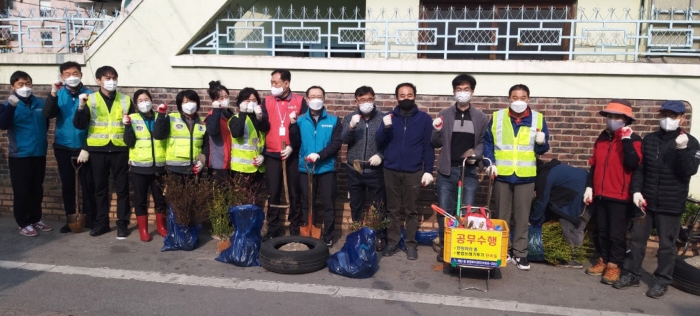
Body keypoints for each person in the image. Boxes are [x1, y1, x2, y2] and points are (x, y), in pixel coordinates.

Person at [614, 100, 700, 298]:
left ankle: (662, 280)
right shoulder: (650, 139)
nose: (667, 119)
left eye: (673, 115)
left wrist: (681, 151)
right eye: (664, 115)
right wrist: (636, 191)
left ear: (682, 118)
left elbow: (688, 170)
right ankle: (631, 274)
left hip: (671, 204)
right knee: (636, 241)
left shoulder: (691, 142)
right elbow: (641, 169)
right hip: (647, 201)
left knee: (666, 246)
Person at [484, 84, 550, 271]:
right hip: (502, 174)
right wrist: (490, 164)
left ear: (528, 99)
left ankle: (520, 253)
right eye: (514, 97)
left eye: (522, 97)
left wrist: (541, 142)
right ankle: (502, 249)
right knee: (502, 216)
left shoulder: (538, 119)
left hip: (526, 175)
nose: (518, 100)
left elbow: (543, 149)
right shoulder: (497, 117)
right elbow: (488, 142)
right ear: (508, 99)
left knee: (522, 217)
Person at [582, 100, 642, 284]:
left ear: (626, 120)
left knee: (616, 233)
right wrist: (590, 186)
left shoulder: (634, 139)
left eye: (617, 117)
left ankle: (614, 265)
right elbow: (594, 164)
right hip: (601, 192)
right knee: (601, 230)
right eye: (610, 116)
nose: (612, 120)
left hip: (620, 195)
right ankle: (604, 259)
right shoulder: (602, 137)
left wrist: (625, 140)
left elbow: (634, 163)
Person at [431, 74, 489, 263]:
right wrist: (437, 130)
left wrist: (476, 155)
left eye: (466, 89)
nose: (462, 93)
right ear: (453, 92)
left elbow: (482, 142)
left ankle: (463, 248)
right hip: (447, 170)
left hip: (469, 171)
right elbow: (435, 143)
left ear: (472, 92)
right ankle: (445, 245)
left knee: (467, 211)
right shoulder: (444, 115)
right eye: (459, 89)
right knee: (446, 211)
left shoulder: (480, 117)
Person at [376, 82, 434, 260]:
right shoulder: (389, 117)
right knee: (392, 209)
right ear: (397, 98)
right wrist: (385, 128)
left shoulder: (424, 119)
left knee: (411, 210)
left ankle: (410, 244)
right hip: (391, 169)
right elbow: (379, 142)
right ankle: (393, 242)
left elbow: (428, 147)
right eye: (402, 95)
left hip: (413, 171)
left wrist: (428, 170)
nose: (406, 98)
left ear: (414, 96)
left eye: (409, 95)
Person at [73, 66, 133, 238]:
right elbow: (80, 125)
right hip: (97, 151)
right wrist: (80, 106)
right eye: (107, 78)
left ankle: (122, 223)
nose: (111, 81)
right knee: (100, 189)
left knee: (122, 189)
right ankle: (102, 223)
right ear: (98, 80)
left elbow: (133, 128)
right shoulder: (89, 99)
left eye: (114, 77)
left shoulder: (125, 100)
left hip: (119, 149)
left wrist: (132, 151)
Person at [42, 61, 97, 233]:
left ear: (81, 74)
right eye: (67, 74)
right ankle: (71, 218)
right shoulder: (58, 94)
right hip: (63, 146)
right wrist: (53, 93)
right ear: (62, 77)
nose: (71, 77)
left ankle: (90, 219)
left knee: (88, 185)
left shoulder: (91, 95)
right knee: (68, 186)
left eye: (75, 73)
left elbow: (95, 124)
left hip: (84, 147)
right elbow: (48, 114)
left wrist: (87, 147)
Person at [0, 71, 51, 236]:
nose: (25, 87)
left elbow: (46, 123)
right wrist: (11, 107)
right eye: (20, 84)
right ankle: (23, 222)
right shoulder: (6, 105)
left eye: (28, 83)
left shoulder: (40, 103)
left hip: (39, 152)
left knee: (37, 189)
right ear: (12, 87)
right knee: (22, 190)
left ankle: (36, 219)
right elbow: (4, 125)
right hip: (20, 155)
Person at [290, 86, 342, 247]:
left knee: (328, 203)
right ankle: (309, 233)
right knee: (307, 203)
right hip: (305, 168)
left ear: (324, 99)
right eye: (312, 96)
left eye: (319, 96)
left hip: (326, 168)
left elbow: (336, 144)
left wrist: (320, 155)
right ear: (307, 100)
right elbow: (296, 143)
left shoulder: (333, 120)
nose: (316, 99)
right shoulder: (299, 120)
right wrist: (291, 125)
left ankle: (328, 237)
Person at [260, 69, 308, 240]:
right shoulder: (266, 101)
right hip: (272, 153)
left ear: (286, 83)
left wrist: (292, 147)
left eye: (276, 83)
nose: (273, 86)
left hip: (292, 154)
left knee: (294, 192)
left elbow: (303, 128)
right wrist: (259, 118)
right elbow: (264, 127)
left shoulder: (300, 101)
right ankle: (273, 228)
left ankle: (294, 227)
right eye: (272, 82)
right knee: (273, 192)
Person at [341, 85, 387, 251]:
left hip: (375, 170)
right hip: (354, 169)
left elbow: (389, 142)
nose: (366, 102)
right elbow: (344, 140)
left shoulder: (383, 118)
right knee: (356, 204)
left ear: (374, 99)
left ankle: (380, 236)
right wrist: (351, 127)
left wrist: (380, 156)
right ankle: (357, 233)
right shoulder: (349, 118)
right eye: (362, 100)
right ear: (356, 101)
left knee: (379, 205)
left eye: (369, 99)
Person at [124, 89, 168, 242]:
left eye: (146, 99)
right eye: (140, 100)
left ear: (151, 100)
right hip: (139, 168)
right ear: (136, 104)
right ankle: (143, 230)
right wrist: (128, 127)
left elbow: (163, 136)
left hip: (159, 167)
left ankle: (161, 227)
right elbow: (128, 142)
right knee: (140, 199)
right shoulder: (132, 118)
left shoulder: (160, 117)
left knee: (160, 199)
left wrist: (162, 116)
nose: (144, 103)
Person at [532, 158, 589, 269]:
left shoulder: (543, 177)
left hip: (582, 195)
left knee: (571, 225)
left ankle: (574, 259)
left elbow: (541, 201)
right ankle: (575, 256)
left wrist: (533, 221)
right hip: (584, 188)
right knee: (573, 225)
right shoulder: (552, 168)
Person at [153, 90, 208, 181]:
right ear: (180, 104)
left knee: (194, 195)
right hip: (175, 170)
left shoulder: (202, 123)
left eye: (192, 101)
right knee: (175, 195)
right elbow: (158, 135)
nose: (190, 104)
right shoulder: (171, 118)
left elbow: (206, 145)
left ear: (197, 103)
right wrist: (161, 116)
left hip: (194, 170)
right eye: (186, 102)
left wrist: (202, 161)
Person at [229, 87, 266, 201]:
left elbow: (265, 140)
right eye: (247, 100)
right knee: (241, 200)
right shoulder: (235, 119)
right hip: (242, 168)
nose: (251, 103)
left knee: (254, 199)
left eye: (254, 100)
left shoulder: (260, 119)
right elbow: (236, 133)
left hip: (258, 168)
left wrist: (263, 155)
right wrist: (242, 113)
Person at [204, 81, 235, 182]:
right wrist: (216, 110)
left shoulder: (229, 115)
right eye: (221, 98)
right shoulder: (212, 116)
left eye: (226, 96)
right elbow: (213, 131)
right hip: (218, 164)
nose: (225, 100)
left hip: (231, 163)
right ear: (214, 100)